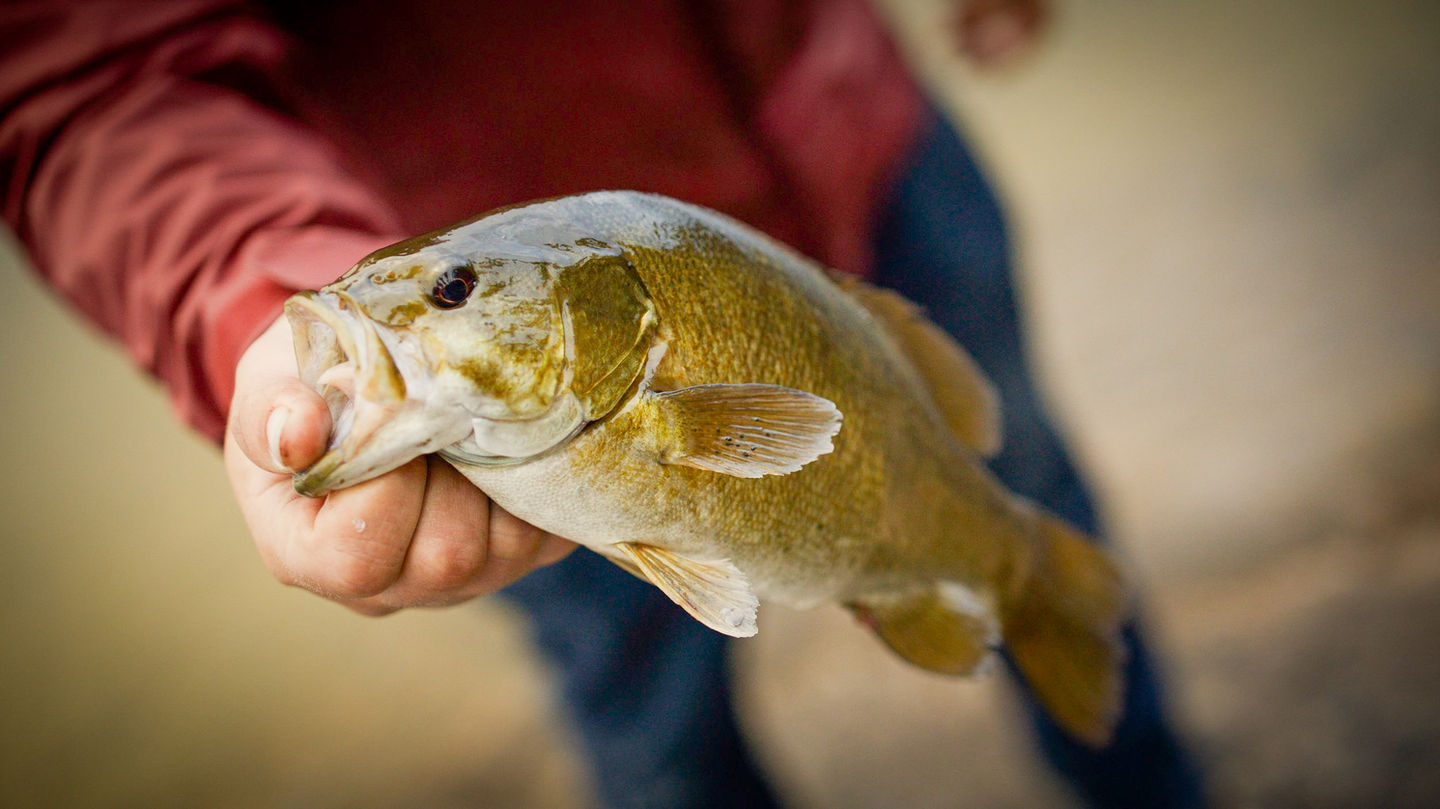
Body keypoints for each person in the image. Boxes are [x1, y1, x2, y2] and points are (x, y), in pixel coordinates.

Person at [0, 1, 1203, 807]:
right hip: (517, 386)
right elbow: (88, 72)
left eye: (455, 294)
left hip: (863, 140)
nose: (437, 308)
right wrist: (254, 275)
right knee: (656, 720)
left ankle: (1144, 769)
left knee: (1026, 503)